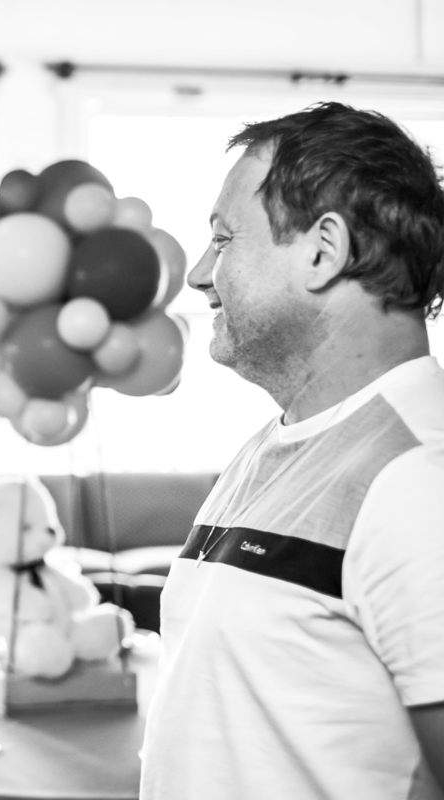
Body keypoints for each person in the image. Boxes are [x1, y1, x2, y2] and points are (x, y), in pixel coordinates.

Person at [140, 101, 444, 799]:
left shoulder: (420, 477)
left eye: (223, 240)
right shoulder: (270, 445)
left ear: (322, 250)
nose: (198, 274)